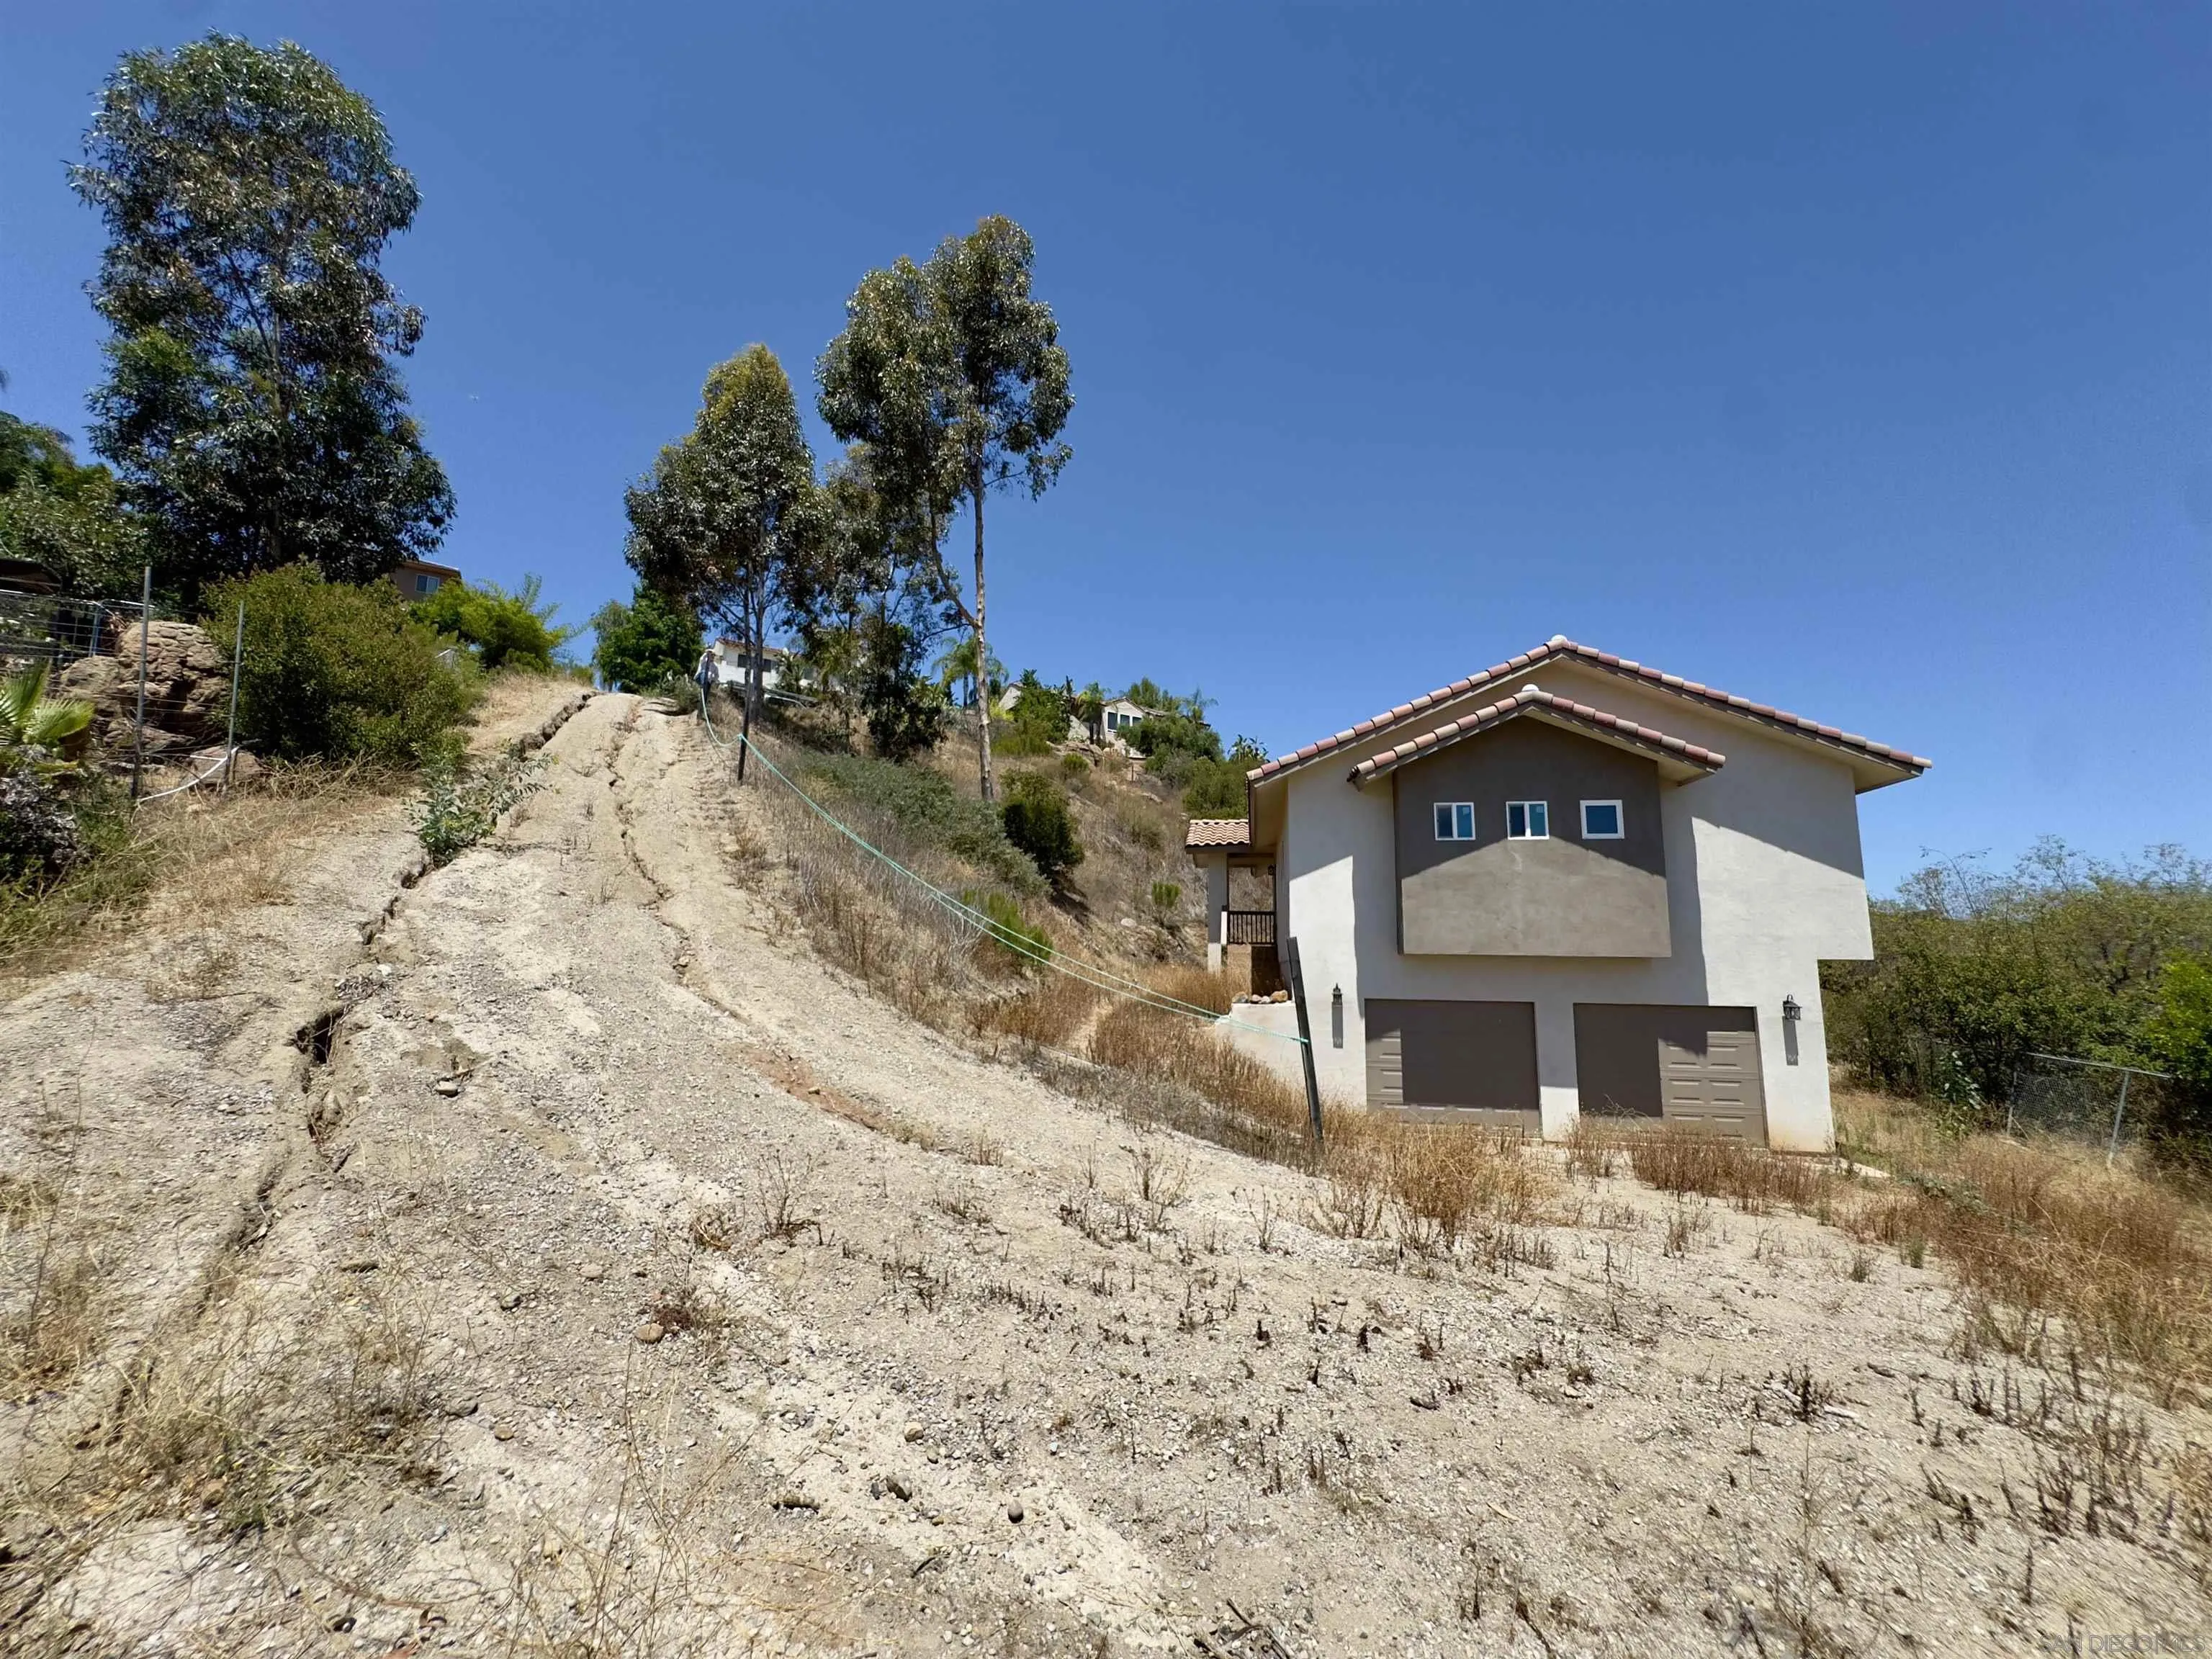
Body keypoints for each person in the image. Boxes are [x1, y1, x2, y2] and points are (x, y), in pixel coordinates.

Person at [693, 646, 720, 717]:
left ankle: (700, 713)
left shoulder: (715, 666)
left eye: (713, 655)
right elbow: (701, 658)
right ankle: (703, 685)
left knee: (704, 697)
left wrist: (712, 679)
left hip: (708, 682)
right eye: (711, 655)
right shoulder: (704, 661)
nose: (712, 656)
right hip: (700, 678)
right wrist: (707, 653)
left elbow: (717, 676)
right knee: (704, 674)